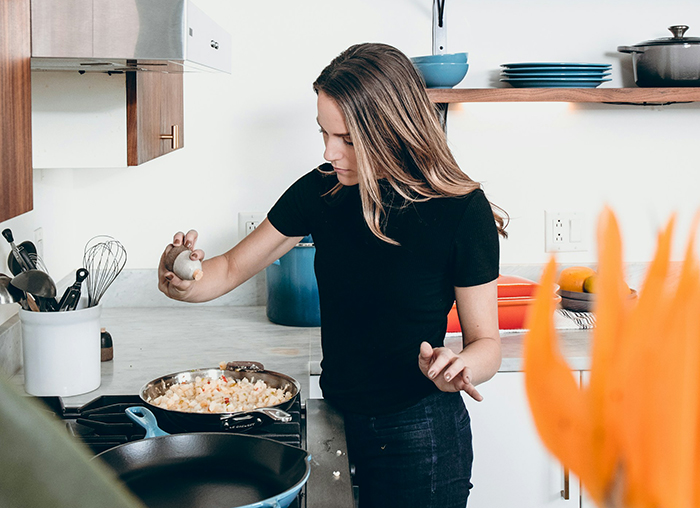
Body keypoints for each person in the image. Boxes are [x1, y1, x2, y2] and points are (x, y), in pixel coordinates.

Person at [158, 42, 507, 508]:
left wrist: (460, 367)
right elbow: (226, 270)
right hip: (337, 416)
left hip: (421, 431)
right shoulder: (320, 191)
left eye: (346, 139)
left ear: (391, 131)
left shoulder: (461, 211)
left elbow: (488, 344)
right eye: (324, 133)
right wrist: (181, 280)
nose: (329, 151)